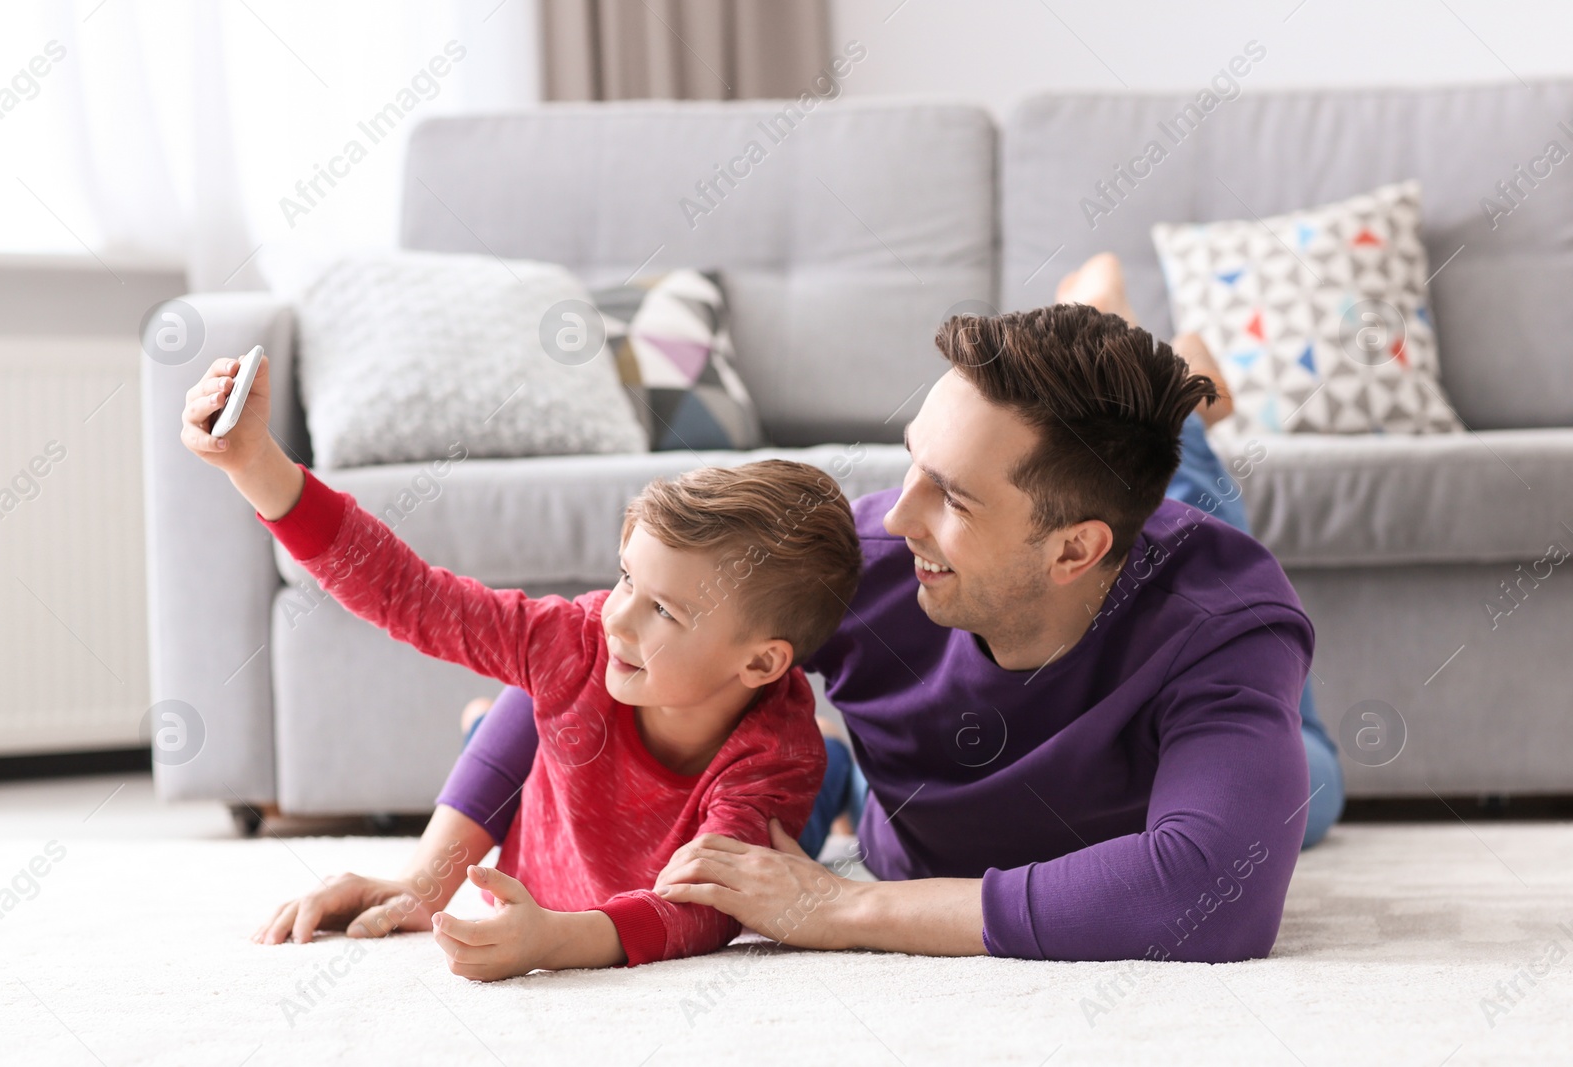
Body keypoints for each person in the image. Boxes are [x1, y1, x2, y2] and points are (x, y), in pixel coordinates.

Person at [451, 255, 1343, 964]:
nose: (894, 514)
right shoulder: (869, 557)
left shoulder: (1225, 622)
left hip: (1163, 592)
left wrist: (852, 905)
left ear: (1075, 550)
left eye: (951, 496)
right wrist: (430, 871)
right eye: (911, 460)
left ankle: (1167, 373)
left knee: (1310, 788)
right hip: (1058, 580)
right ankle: (836, 766)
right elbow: (583, 646)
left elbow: (1208, 896)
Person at [179, 352, 863, 979]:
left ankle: (838, 772)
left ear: (761, 662)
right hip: (574, 736)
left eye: (664, 611)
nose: (616, 617)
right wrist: (254, 463)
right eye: (626, 578)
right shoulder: (583, 639)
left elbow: (703, 913)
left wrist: (553, 942)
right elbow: (410, 594)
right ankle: (496, 721)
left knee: (796, 814)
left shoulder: (774, 754)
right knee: (543, 685)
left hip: (768, 791)